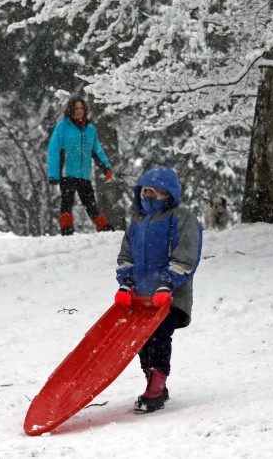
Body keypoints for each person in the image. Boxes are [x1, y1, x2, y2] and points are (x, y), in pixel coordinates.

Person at [113, 167, 202, 412]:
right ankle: (154, 382)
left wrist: (168, 282)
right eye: (146, 191)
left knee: (159, 337)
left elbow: (185, 255)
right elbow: (126, 255)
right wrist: (125, 283)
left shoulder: (181, 218)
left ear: (169, 194)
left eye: (157, 192)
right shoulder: (138, 222)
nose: (150, 196)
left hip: (170, 296)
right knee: (142, 342)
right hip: (142, 298)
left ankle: (156, 390)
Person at [46, 96, 114, 235]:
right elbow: (54, 150)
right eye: (76, 108)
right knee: (67, 203)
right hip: (67, 173)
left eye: (81, 108)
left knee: (90, 204)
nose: (79, 111)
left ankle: (106, 230)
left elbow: (97, 150)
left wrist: (106, 167)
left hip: (84, 174)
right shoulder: (63, 127)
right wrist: (53, 174)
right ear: (71, 109)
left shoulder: (90, 129)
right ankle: (66, 231)